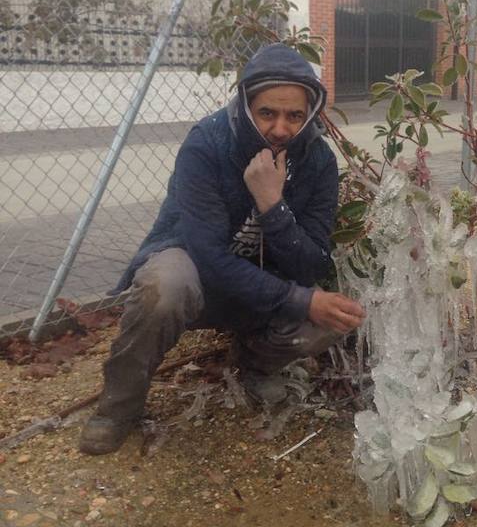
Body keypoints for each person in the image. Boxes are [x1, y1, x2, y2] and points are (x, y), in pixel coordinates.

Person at [80, 43, 365, 455]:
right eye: (268, 113)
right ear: (247, 105)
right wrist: (295, 297)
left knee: (328, 318)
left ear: (309, 114)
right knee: (166, 285)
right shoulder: (208, 145)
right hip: (199, 277)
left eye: (294, 116)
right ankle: (117, 407)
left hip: (261, 286)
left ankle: (253, 363)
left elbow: (313, 263)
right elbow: (209, 259)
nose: (281, 129)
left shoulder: (318, 162)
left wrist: (272, 205)